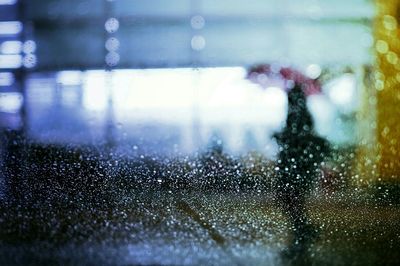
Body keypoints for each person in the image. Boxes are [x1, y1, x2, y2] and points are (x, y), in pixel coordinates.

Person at [273, 84, 330, 253]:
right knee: (293, 198)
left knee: (289, 198)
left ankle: (301, 228)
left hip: (294, 165)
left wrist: (280, 136)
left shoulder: (296, 114)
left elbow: (297, 138)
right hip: (300, 165)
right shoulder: (300, 114)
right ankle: (302, 227)